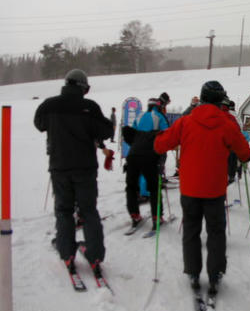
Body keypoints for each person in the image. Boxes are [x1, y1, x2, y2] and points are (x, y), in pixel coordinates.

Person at [154, 81, 250, 296]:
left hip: (189, 188)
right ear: (220, 100)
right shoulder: (227, 123)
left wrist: (157, 140)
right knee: (216, 231)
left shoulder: (185, 122)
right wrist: (245, 157)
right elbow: (243, 151)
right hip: (215, 189)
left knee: (191, 230)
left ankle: (193, 272)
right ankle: (215, 273)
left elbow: (161, 144)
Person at [34, 69, 113, 277]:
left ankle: (66, 251)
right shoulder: (89, 107)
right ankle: (94, 255)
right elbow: (107, 131)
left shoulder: (49, 105)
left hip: (59, 167)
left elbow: (39, 124)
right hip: (85, 168)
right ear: (82, 87)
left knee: (63, 210)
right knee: (88, 211)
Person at [128, 98, 169, 230]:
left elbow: (131, 133)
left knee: (131, 186)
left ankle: (134, 214)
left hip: (133, 154)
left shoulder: (139, 116)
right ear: (158, 106)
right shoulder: (159, 116)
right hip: (150, 155)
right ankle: (157, 216)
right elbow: (167, 134)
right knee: (154, 187)